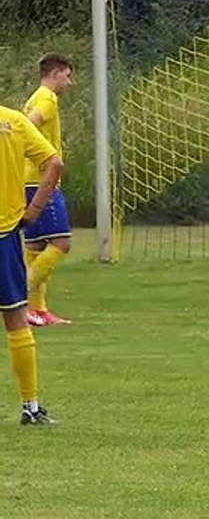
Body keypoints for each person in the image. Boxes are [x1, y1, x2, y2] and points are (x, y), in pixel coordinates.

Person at [0, 102, 64, 424]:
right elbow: (54, 162)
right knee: (15, 320)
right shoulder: (13, 121)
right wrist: (34, 210)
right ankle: (31, 406)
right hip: (5, 235)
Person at [23, 53, 75, 326]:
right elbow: (29, 124)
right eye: (67, 76)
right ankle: (18, 294)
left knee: (35, 246)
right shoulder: (47, 98)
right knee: (61, 243)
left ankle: (37, 310)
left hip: (27, 179)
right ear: (55, 74)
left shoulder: (34, 96)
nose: (69, 82)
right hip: (42, 179)